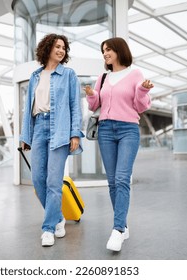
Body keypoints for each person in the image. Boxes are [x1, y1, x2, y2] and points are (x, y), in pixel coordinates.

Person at [84, 37, 154, 252]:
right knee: (113, 181)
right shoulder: (103, 77)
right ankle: (123, 225)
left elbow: (140, 106)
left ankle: (117, 230)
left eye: (109, 49)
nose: (105, 53)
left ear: (119, 50)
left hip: (128, 130)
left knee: (123, 178)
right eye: (103, 50)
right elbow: (94, 105)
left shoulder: (135, 74)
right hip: (105, 130)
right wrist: (91, 95)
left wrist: (142, 90)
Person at [20, 34, 83, 247]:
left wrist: (75, 133)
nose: (61, 50)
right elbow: (28, 108)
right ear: (47, 48)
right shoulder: (35, 76)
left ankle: (48, 229)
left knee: (54, 182)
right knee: (38, 180)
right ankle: (57, 218)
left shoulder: (69, 75)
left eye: (64, 48)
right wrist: (25, 136)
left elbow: (75, 106)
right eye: (57, 46)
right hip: (38, 128)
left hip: (60, 130)